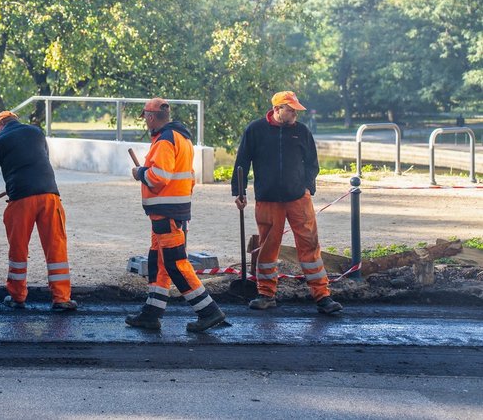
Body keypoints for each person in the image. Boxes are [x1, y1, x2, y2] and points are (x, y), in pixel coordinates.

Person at [232, 90, 343, 314]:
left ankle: (322, 296)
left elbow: (312, 163)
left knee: (310, 245)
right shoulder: (255, 130)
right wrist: (239, 191)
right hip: (268, 199)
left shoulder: (301, 131)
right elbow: (242, 161)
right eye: (290, 110)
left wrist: (308, 187)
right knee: (267, 247)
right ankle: (265, 294)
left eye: (295, 111)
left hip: (298, 198)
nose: (294, 115)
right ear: (277, 110)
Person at [125, 98, 226, 332]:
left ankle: (208, 311)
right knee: (158, 262)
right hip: (171, 212)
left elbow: (158, 178)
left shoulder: (164, 141)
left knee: (175, 263)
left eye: (145, 119)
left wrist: (140, 172)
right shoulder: (182, 138)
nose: (145, 123)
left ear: (150, 117)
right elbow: (187, 177)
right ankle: (152, 313)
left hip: (166, 212)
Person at [0, 110, 77, 311]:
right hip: (50, 196)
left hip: (21, 199)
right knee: (56, 246)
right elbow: (42, 160)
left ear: (0, 126)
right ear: (15, 120)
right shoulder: (37, 133)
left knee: (18, 249)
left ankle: (17, 297)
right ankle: (61, 299)